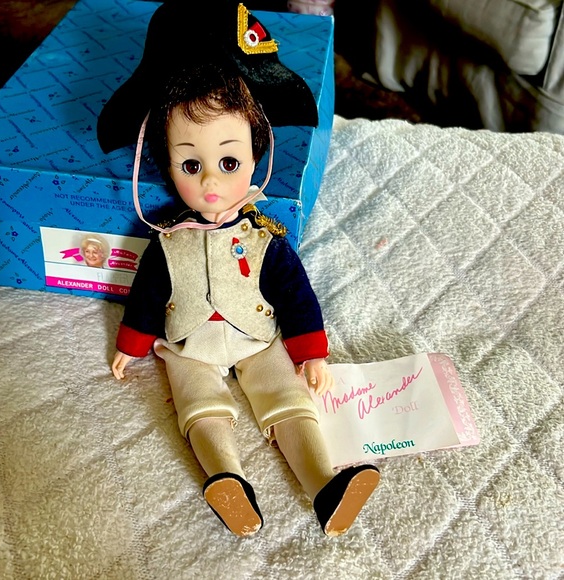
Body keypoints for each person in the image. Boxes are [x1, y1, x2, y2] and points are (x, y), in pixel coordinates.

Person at [98, 0, 379, 537]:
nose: (210, 182)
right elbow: (147, 296)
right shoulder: (167, 242)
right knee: (199, 404)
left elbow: (296, 295)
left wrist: (311, 352)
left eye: (228, 162)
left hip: (257, 337)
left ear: (255, 157)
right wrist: (131, 344)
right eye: (190, 164)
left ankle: (325, 485)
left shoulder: (264, 238)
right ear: (167, 164)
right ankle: (227, 480)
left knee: (289, 399)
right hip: (190, 344)